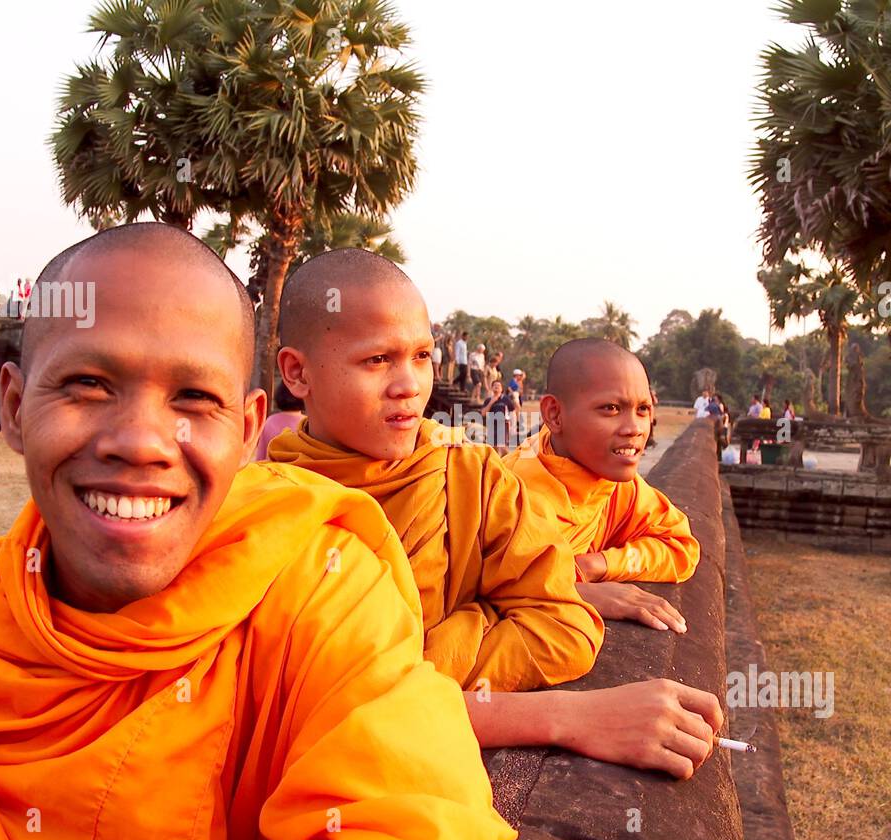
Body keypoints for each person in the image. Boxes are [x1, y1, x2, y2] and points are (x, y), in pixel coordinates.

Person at [0, 223, 513, 840]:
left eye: (193, 399)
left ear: (247, 430)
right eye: (88, 386)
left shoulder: (319, 592)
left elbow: (411, 833)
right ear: (14, 408)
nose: (140, 441)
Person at [268, 249, 723, 781]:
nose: (410, 386)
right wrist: (483, 629)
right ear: (298, 373)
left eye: (421, 356)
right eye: (376, 361)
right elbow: (324, 704)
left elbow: (566, 628)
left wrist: (423, 660)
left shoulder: (472, 477)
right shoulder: (267, 507)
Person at [505, 339, 700, 622]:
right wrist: (574, 592)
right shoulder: (511, 494)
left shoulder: (613, 483)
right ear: (554, 415)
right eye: (610, 408)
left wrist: (599, 564)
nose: (634, 428)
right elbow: (486, 586)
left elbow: (680, 548)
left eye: (643, 409)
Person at [254, 381, 307, 461]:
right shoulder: (306, 424)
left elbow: (261, 456)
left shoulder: (270, 421)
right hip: (298, 472)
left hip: (272, 471)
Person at [480, 379, 517, 454]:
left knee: (503, 446)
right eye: (494, 386)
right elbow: (483, 413)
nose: (496, 387)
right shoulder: (488, 400)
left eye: (498, 386)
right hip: (492, 426)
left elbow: (513, 413)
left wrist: (513, 427)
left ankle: (506, 462)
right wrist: (492, 402)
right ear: (492, 388)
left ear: (502, 389)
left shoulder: (506, 399)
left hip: (504, 425)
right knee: (493, 447)